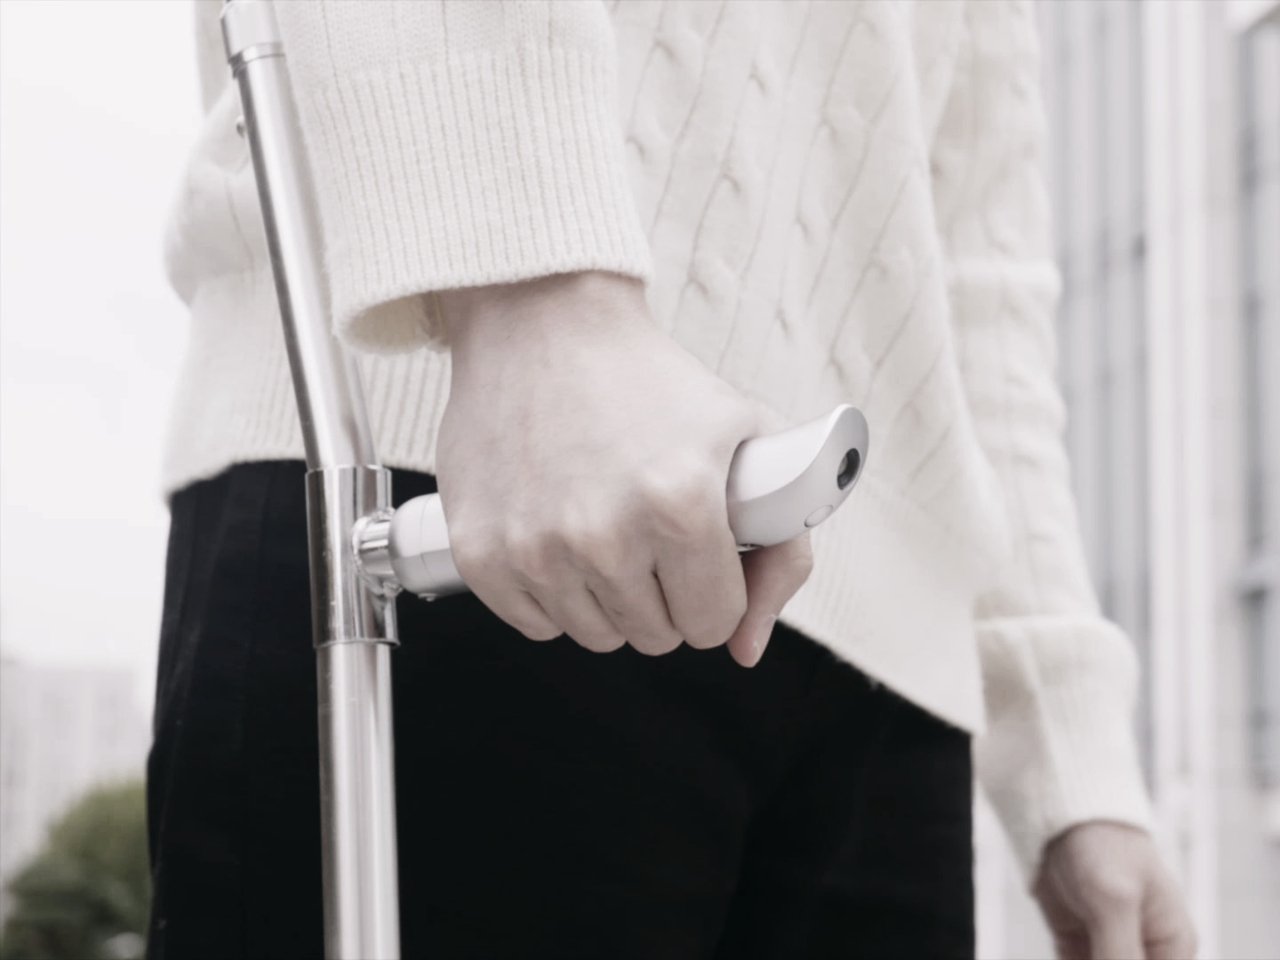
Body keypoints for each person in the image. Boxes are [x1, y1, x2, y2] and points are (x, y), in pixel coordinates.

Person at [147, 1, 1196, 958]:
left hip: (884, 663)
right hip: (468, 485)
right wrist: (528, 284)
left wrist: (1068, 742)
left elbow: (975, 253)